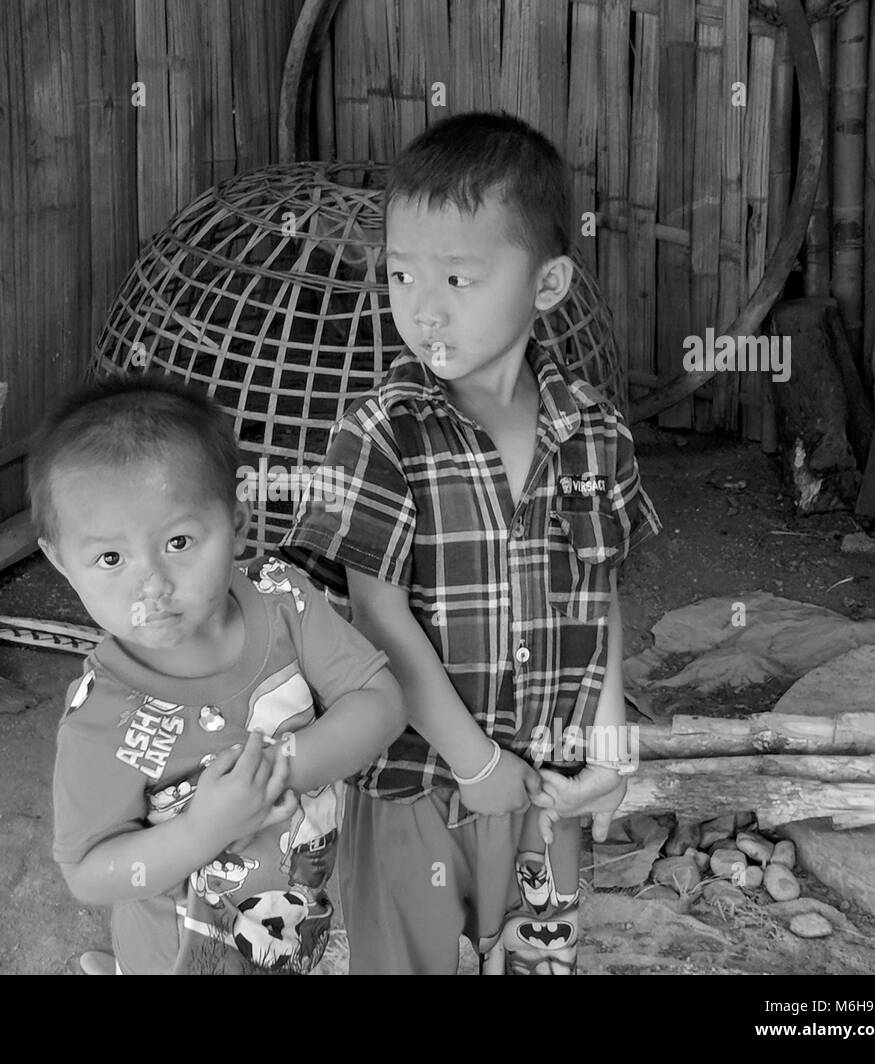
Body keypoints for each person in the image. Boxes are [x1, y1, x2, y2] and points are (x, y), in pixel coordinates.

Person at [280, 111, 661, 975]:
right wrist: (474, 759)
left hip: (548, 781)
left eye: (457, 276)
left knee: (534, 952)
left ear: (548, 283)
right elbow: (375, 621)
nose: (422, 307)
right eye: (403, 274)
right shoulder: (382, 432)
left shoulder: (593, 432)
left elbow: (599, 589)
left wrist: (608, 746)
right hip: (417, 782)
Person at [31, 372, 404, 974]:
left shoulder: (286, 602)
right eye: (109, 558)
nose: (151, 583)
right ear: (59, 561)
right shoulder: (103, 718)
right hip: (177, 958)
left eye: (179, 541)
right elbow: (89, 873)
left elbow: (381, 701)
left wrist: (281, 771)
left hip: (299, 923)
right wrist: (205, 830)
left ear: (237, 522)